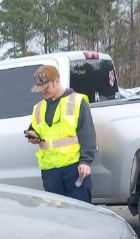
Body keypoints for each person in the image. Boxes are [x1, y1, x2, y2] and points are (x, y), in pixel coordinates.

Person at [25, 65, 97, 204]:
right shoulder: (39, 107)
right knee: (57, 215)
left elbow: (87, 133)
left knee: (80, 211)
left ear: (56, 81)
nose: (42, 92)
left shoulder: (77, 101)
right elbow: (34, 128)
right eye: (40, 89)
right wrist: (32, 135)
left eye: (46, 87)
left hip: (74, 169)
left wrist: (85, 161)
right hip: (50, 172)